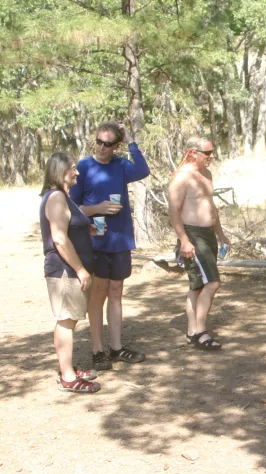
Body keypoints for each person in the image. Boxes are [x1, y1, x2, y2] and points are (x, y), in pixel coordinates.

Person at [70, 122, 150, 371]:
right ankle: (98, 350)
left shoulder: (121, 165)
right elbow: (71, 208)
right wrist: (97, 209)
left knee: (116, 292)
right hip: (95, 241)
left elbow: (143, 170)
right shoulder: (83, 167)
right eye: (99, 141)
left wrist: (132, 142)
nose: (102, 147)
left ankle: (116, 348)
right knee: (98, 294)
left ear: (116, 146)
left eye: (108, 144)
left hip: (120, 240)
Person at [41, 152, 101, 393]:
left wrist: (89, 231)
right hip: (65, 271)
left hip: (72, 269)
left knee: (70, 319)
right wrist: (80, 270)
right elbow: (58, 237)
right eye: (73, 169)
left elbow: (70, 228)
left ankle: (68, 368)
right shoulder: (56, 197)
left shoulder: (66, 197)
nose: (77, 172)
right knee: (66, 321)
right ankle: (67, 377)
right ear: (60, 172)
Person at [168, 137, 231, 349]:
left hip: (208, 235)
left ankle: (192, 331)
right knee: (213, 283)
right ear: (193, 152)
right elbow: (173, 211)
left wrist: (220, 234)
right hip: (192, 235)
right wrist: (184, 240)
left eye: (212, 152)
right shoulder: (181, 177)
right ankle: (202, 332)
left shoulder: (207, 174)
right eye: (207, 153)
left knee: (197, 285)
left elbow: (212, 207)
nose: (211, 156)